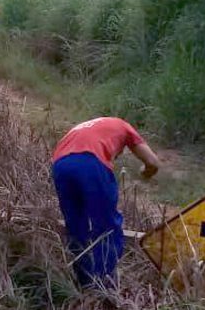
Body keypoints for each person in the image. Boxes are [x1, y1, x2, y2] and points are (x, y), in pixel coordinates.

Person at [51, 117, 160, 287]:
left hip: (60, 165)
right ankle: (105, 287)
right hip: (90, 162)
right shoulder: (124, 126)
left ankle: (83, 282)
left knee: (76, 226)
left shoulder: (86, 127)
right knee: (107, 227)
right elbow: (152, 162)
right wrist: (145, 173)